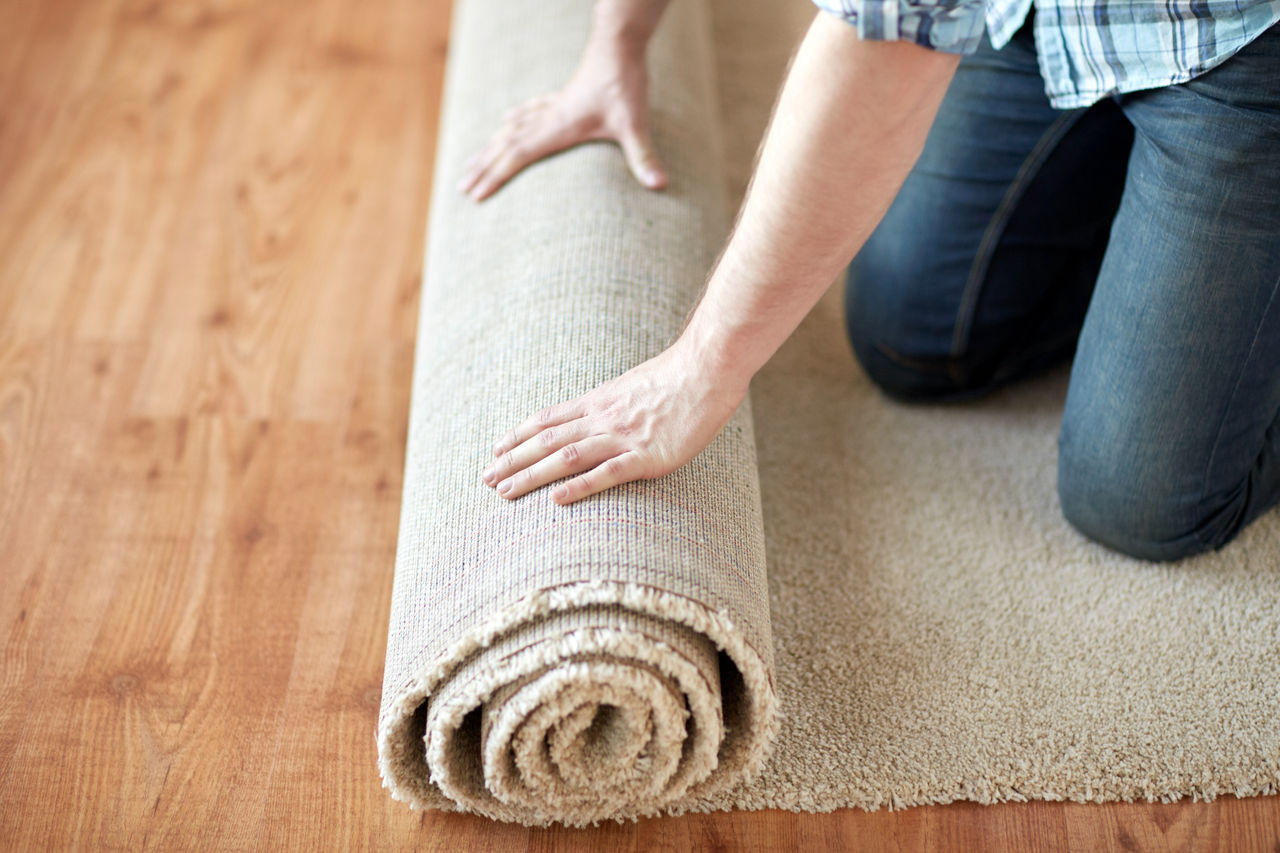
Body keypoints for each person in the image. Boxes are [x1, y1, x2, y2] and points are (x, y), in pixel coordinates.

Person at [468, 0, 1280, 562]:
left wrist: (699, 369)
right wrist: (616, 46)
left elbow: (888, 44)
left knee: (1140, 500)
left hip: (1250, 38)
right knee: (915, 339)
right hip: (1060, 15)